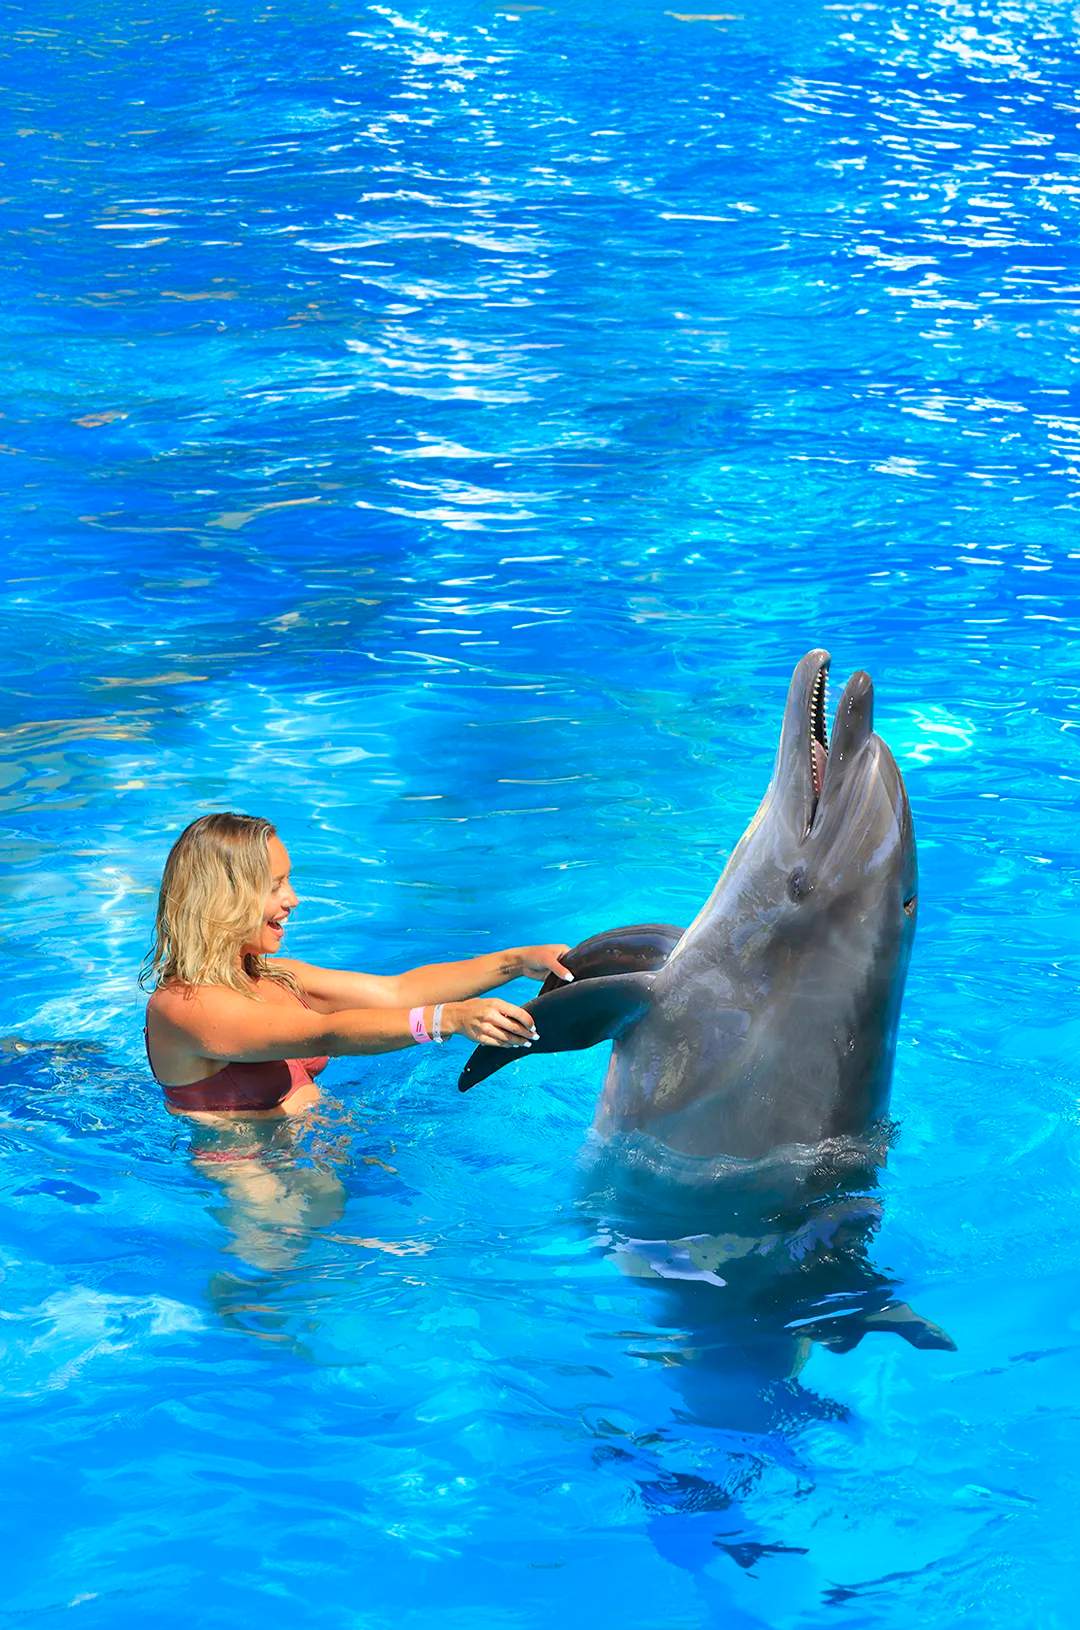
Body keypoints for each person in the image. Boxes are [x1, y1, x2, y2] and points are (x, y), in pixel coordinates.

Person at [141, 812, 573, 1118]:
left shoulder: (275, 976)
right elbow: (324, 1033)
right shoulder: (185, 1007)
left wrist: (515, 961)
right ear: (223, 899)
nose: (293, 899)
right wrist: (447, 1020)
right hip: (256, 1184)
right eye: (275, 886)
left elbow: (397, 993)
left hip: (320, 1148)